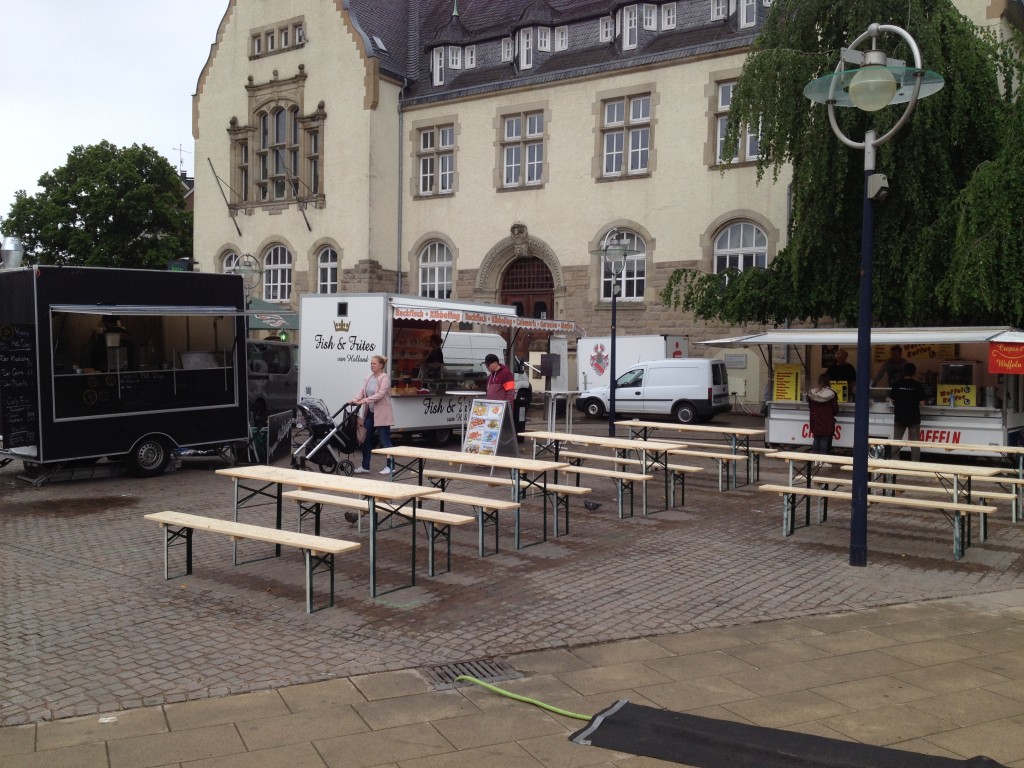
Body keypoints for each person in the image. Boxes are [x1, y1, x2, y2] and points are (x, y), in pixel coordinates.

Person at [349, 355, 395, 475]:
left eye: (374, 363)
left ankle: (391, 466)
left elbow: (380, 394)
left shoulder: (385, 378)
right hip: (370, 414)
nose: (372, 365)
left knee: (385, 440)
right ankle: (365, 466)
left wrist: (364, 400)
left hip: (382, 414)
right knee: (365, 438)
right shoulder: (369, 377)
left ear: (381, 365)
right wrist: (354, 400)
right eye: (371, 363)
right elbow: (362, 391)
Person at [890, 362, 926, 461]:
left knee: (896, 442)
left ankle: (894, 462)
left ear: (903, 372)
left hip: (899, 417)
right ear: (914, 373)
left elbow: (892, 400)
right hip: (913, 417)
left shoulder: (897, 384)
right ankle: (915, 463)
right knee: (915, 443)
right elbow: (922, 403)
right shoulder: (917, 385)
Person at [807, 373, 839, 456]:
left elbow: (810, 406)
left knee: (816, 438)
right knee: (825, 440)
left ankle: (815, 459)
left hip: (815, 420)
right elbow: (835, 409)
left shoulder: (812, 392)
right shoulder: (831, 393)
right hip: (827, 421)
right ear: (828, 381)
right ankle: (823, 460)